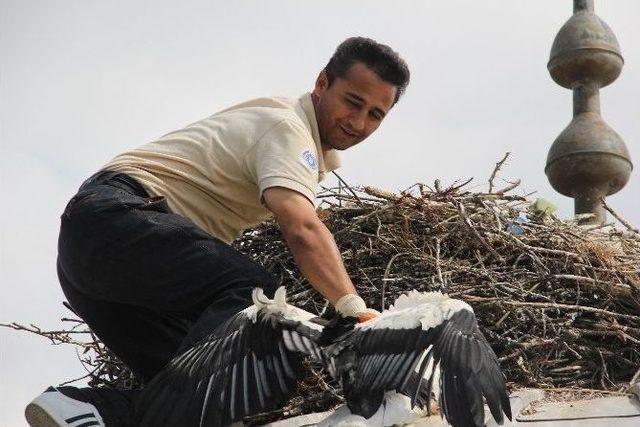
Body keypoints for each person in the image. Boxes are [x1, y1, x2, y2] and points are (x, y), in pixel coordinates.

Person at [25, 36, 410, 427]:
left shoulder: (299, 140)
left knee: (223, 388)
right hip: (118, 220)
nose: (359, 123)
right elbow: (302, 228)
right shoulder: (288, 126)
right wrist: (354, 312)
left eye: (376, 114)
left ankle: (85, 412)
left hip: (101, 260)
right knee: (256, 298)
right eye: (353, 102)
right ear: (323, 82)